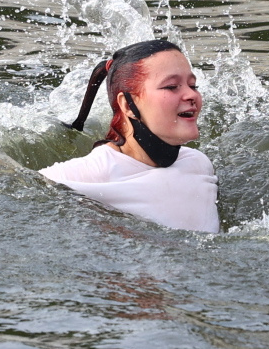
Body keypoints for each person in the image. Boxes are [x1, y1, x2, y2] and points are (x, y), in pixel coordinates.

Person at [38, 38, 219, 232]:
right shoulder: (95, 172)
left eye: (193, 86)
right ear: (127, 105)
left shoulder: (200, 164)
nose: (191, 95)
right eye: (171, 86)